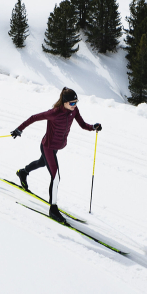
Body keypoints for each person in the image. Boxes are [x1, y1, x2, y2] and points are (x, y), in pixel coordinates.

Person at [11, 87, 101, 223]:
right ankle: (53, 209)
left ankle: (23, 172)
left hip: (57, 146)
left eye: (76, 102)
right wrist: (19, 129)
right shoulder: (54, 113)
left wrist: (93, 127)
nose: (74, 105)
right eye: (72, 103)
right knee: (56, 177)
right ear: (64, 102)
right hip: (48, 146)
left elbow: (82, 124)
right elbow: (34, 118)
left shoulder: (74, 110)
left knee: (42, 162)